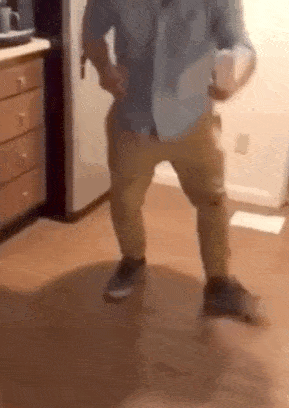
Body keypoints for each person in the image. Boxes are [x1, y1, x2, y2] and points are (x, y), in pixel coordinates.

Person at [82, 0, 265, 325]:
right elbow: (91, 33)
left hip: (194, 121)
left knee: (212, 199)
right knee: (124, 200)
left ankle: (219, 282)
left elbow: (241, 45)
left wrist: (233, 78)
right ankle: (133, 261)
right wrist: (104, 69)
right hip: (132, 119)